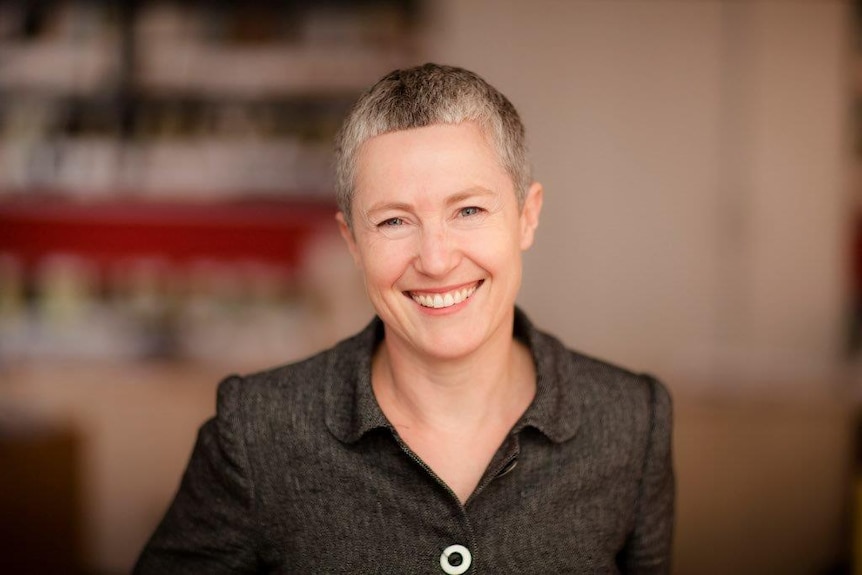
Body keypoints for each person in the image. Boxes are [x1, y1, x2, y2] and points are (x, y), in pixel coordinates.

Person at [134, 63, 674, 574]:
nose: (436, 260)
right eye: (394, 221)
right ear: (352, 242)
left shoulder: (632, 421)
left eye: (468, 210)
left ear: (527, 217)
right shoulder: (255, 433)